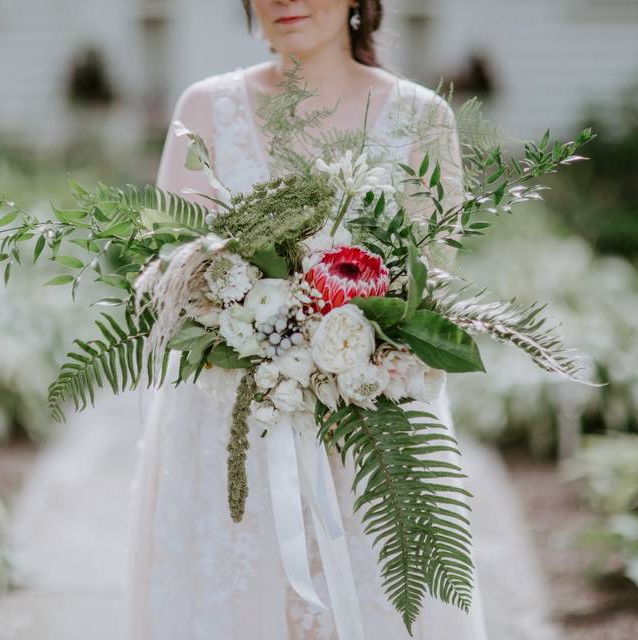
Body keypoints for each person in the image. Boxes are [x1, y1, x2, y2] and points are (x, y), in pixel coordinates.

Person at [125, 1, 489, 637]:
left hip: (373, 436)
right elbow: (170, 273)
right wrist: (241, 312)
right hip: (229, 431)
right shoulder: (204, 110)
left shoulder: (422, 119)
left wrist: (345, 343)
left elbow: (429, 287)